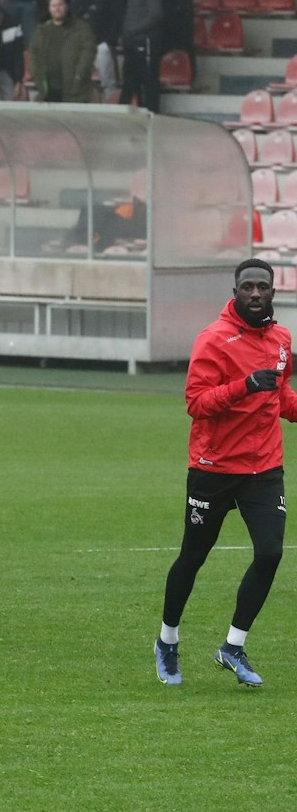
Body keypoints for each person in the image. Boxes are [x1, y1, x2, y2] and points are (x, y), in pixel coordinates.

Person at [157, 259, 295, 688]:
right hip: (213, 468)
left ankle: (232, 647)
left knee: (270, 552)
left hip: (264, 468)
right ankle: (167, 640)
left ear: (274, 292)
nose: (256, 293)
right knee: (193, 557)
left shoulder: (282, 338)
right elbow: (196, 402)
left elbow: (281, 392)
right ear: (235, 291)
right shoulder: (213, 340)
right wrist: (244, 386)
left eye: (263, 287)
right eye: (248, 286)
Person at [29, 0, 98, 103]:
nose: (57, 8)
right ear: (49, 9)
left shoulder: (81, 28)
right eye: (53, 6)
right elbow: (33, 52)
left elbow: (89, 52)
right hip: (48, 92)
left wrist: (78, 76)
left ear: (66, 6)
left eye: (60, 5)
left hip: (75, 92)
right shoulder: (42, 30)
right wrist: (35, 73)